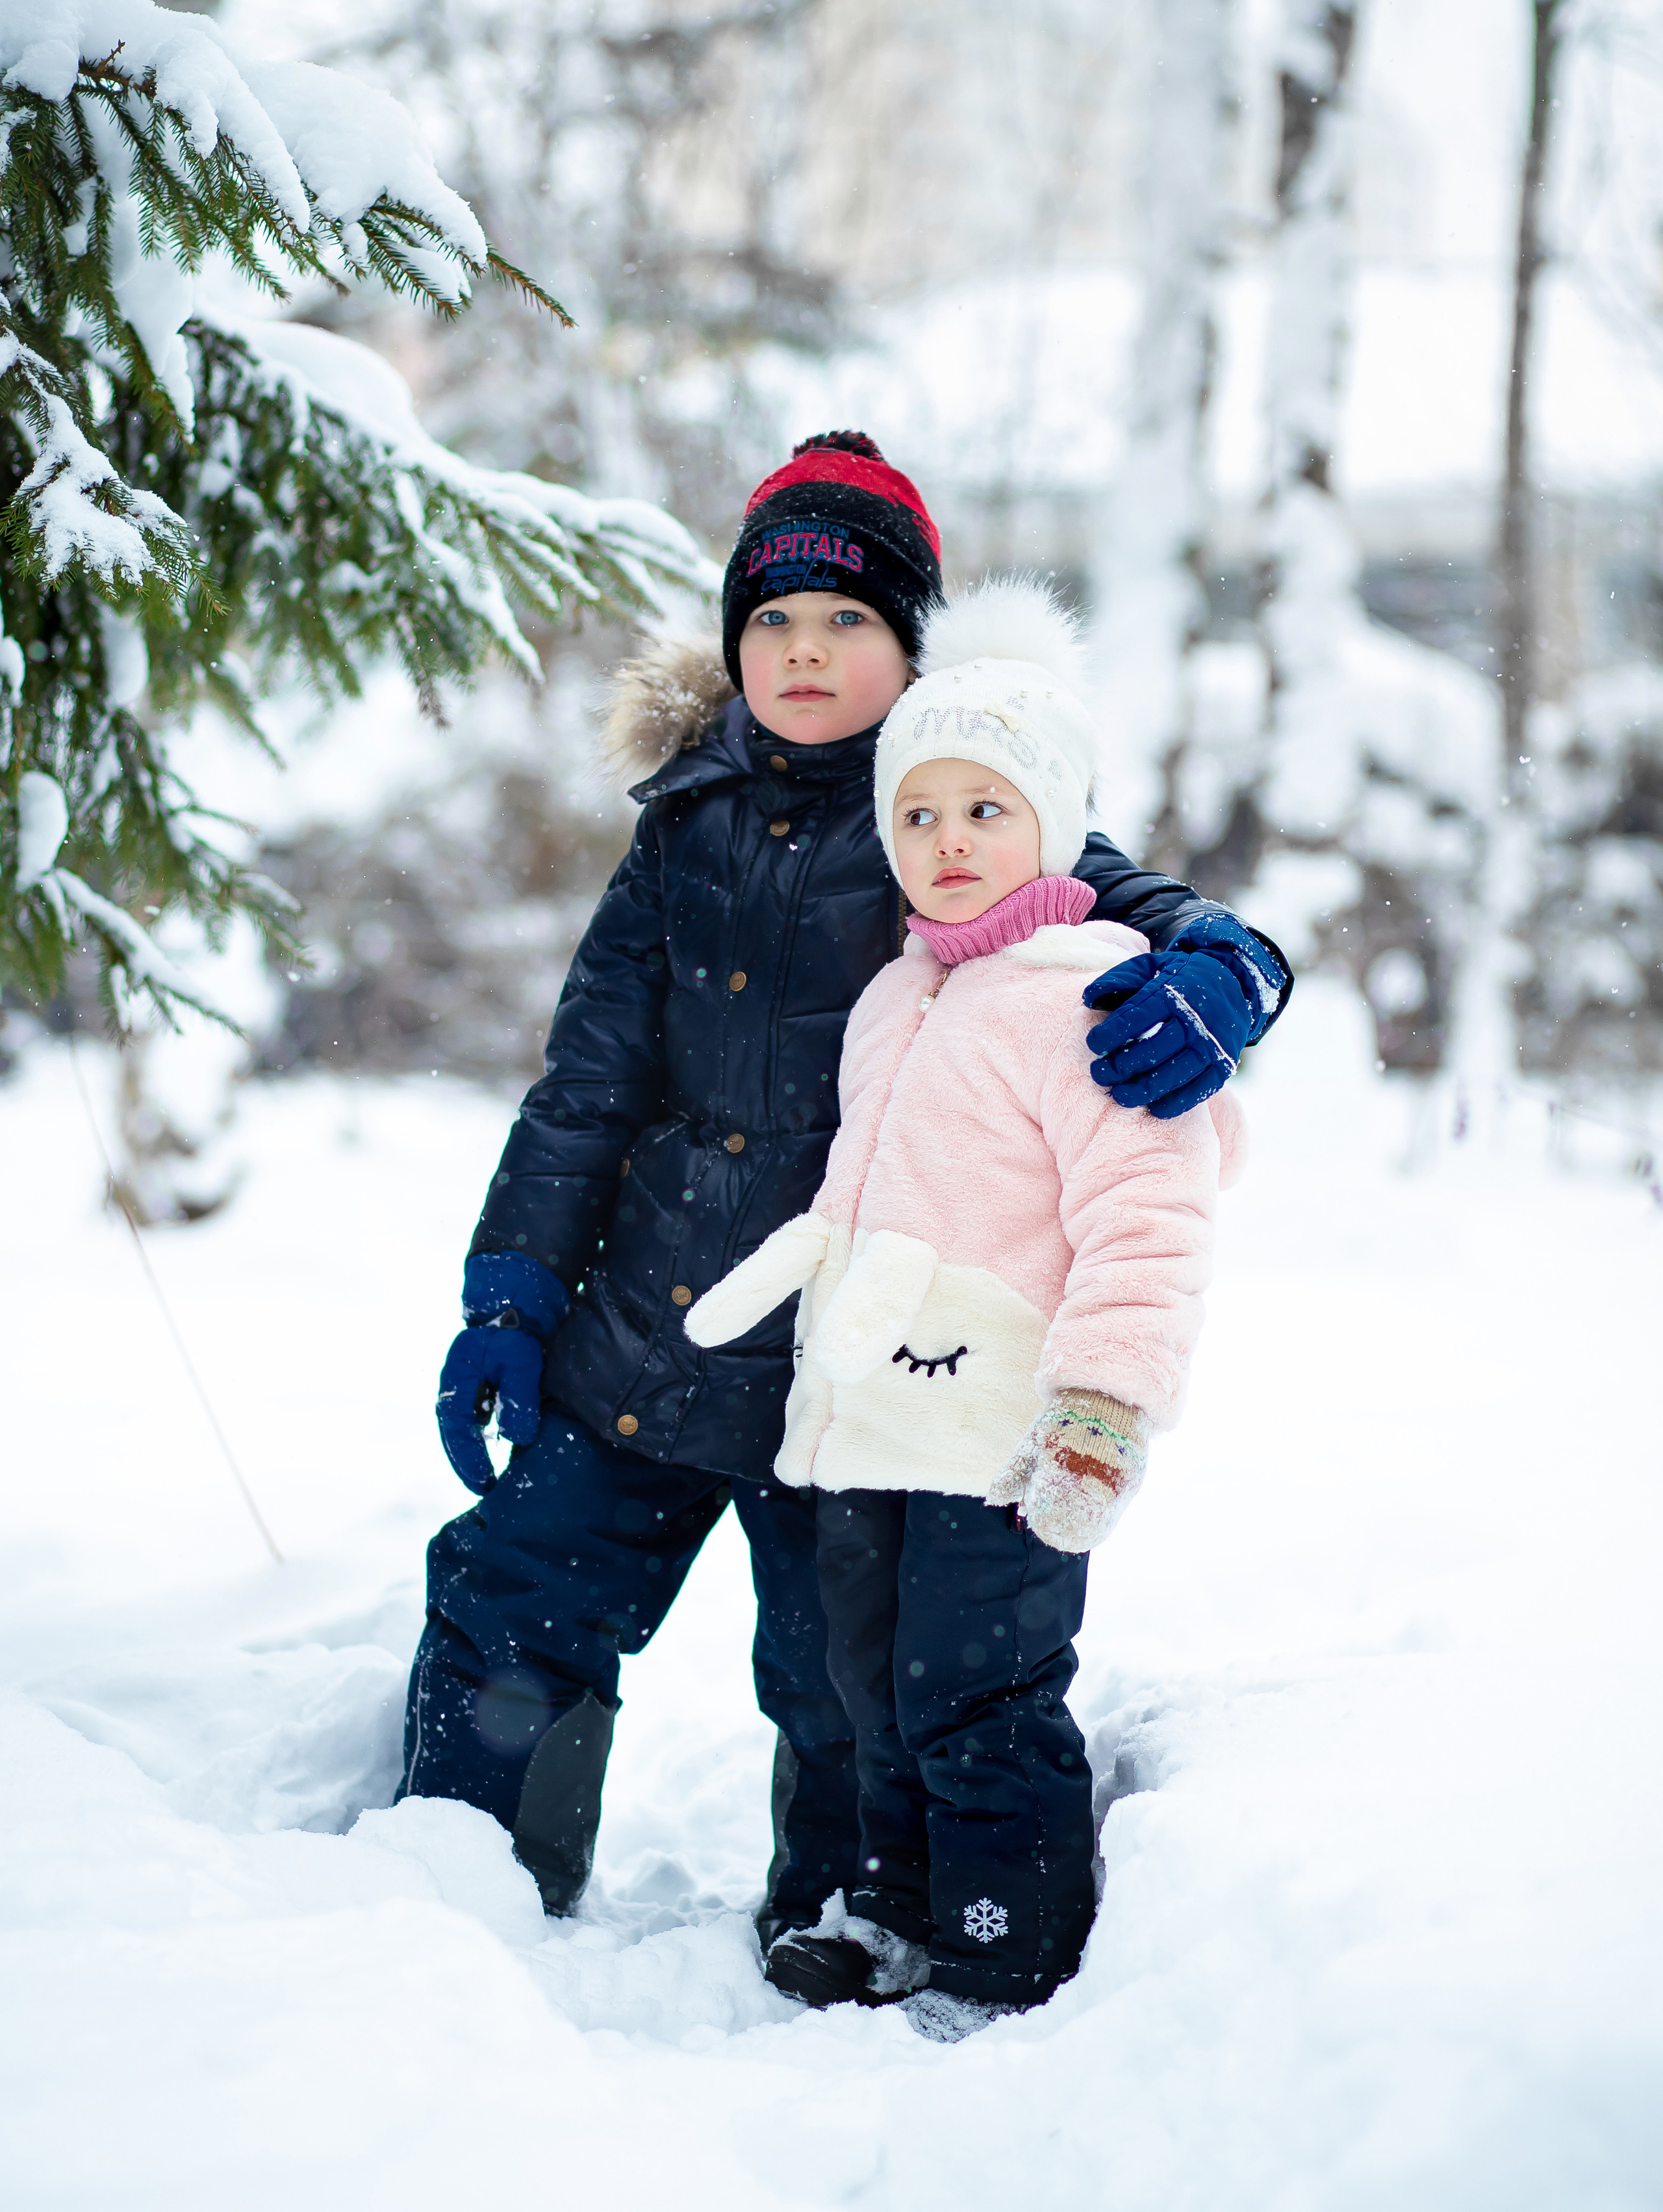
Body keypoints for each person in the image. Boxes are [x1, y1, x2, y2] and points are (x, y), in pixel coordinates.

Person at [398, 433, 1289, 1945]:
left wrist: (1231, 964)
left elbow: (1131, 899)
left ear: (914, 647)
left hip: (857, 1361)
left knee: (842, 1675)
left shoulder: (952, 807)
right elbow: (586, 1085)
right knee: (514, 1593)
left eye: (847, 624)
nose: (802, 654)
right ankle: (456, 1886)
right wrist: (511, 1294)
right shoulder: (678, 822)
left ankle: (842, 1911)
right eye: (771, 623)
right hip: (650, 1320)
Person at [687, 578, 1248, 2040]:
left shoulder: (1091, 997)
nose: (946, 843)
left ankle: (1009, 1934)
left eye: (983, 811)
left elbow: (1147, 1220)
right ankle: (892, 1902)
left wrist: (1102, 1402)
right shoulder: (896, 996)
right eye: (918, 814)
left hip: (1003, 1425)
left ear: (1053, 824)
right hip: (869, 1418)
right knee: (862, 1675)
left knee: (979, 1684)